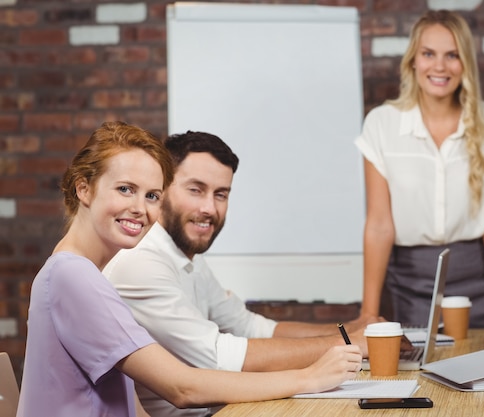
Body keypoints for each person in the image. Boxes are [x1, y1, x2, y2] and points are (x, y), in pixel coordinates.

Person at [17, 122, 362, 417]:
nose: (140, 208)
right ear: (84, 188)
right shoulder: (72, 275)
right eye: (125, 189)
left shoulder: (81, 273)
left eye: (152, 196)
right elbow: (181, 387)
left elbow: (130, 402)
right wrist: (308, 379)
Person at [104, 130, 376, 417]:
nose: (209, 208)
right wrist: (350, 344)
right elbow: (219, 357)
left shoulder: (185, 256)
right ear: (162, 190)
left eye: (220, 194)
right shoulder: (140, 261)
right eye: (195, 190)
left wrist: (354, 329)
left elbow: (251, 327)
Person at [355, 10, 484, 336]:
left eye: (452, 55)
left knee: (483, 373)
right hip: (411, 280)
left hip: (478, 280)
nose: (439, 66)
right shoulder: (381, 124)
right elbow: (380, 226)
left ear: (465, 62)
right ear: (413, 61)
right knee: (420, 378)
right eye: (428, 54)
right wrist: (368, 313)